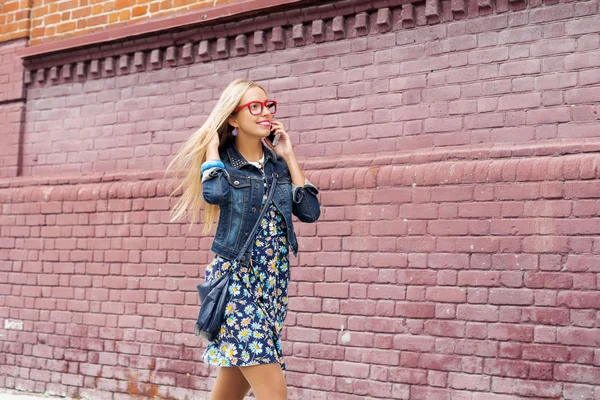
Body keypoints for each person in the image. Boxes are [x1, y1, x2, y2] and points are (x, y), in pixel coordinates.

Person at [166, 79, 321, 400]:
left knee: (229, 393)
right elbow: (215, 193)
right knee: (274, 393)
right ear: (233, 119)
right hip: (237, 284)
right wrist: (211, 149)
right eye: (255, 106)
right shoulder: (222, 165)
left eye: (267, 105)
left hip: (273, 285)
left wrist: (289, 157)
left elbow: (309, 211)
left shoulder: (277, 165)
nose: (265, 112)